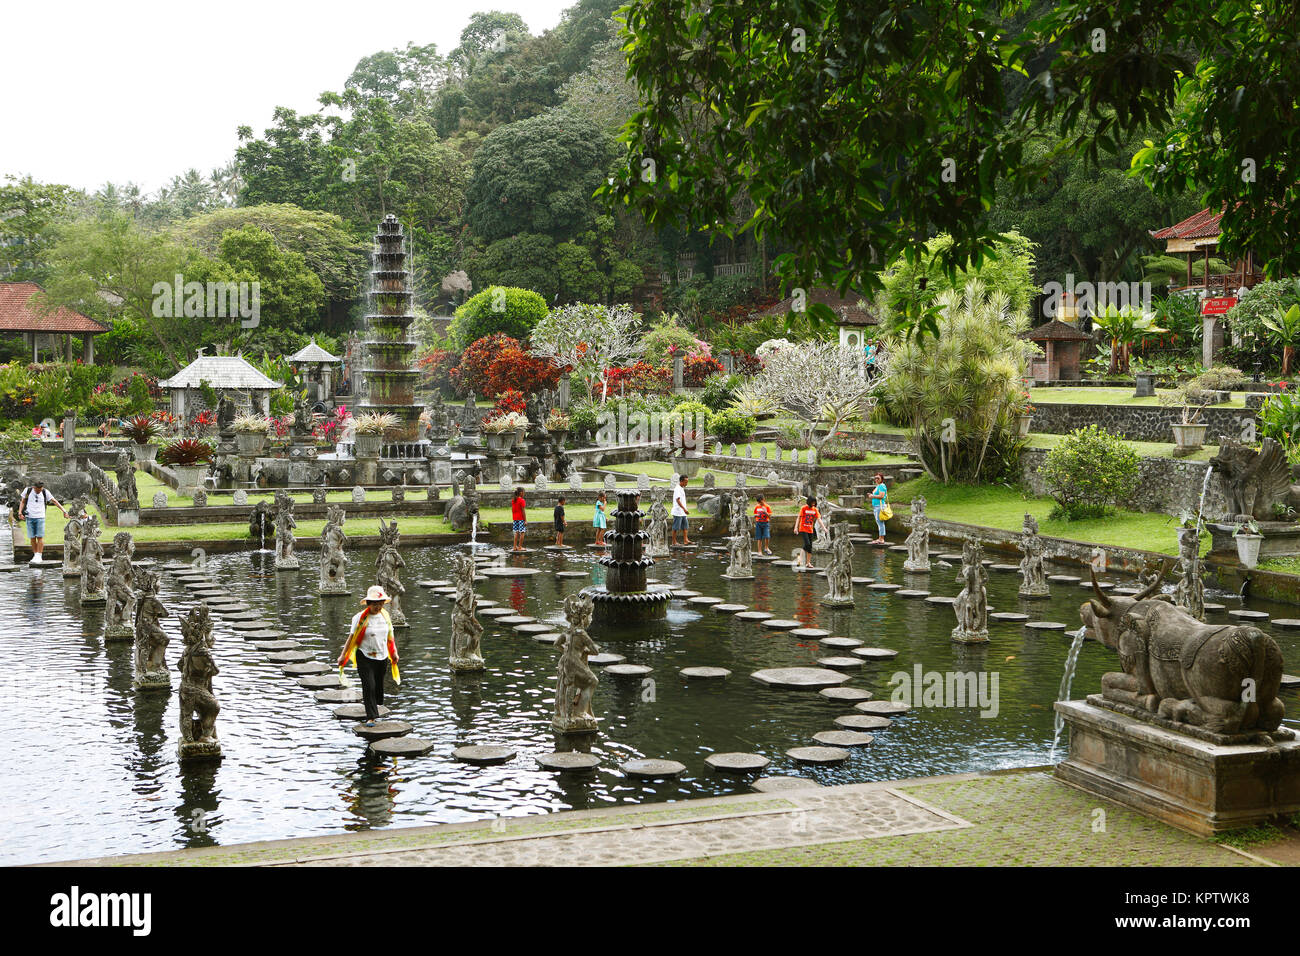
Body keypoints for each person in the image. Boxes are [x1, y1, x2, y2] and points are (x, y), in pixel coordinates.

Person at [337, 585, 400, 726]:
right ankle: (371, 717)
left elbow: (390, 637)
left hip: (382, 656)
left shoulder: (385, 617)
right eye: (375, 604)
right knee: (369, 685)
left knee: (377, 687)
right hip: (364, 656)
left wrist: (394, 653)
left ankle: (375, 705)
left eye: (380, 604)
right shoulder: (359, 618)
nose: (377, 607)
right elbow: (351, 638)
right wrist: (343, 656)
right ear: (368, 604)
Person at [17, 479, 67, 565]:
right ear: (33, 487)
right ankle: (35, 554)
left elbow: (54, 501)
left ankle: (39, 555)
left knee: (39, 537)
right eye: (37, 490)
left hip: (40, 517)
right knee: (32, 537)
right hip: (29, 517)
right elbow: (23, 501)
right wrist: (20, 512)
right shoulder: (28, 490)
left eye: (40, 489)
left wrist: (64, 510)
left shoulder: (45, 492)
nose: (38, 491)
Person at [793, 495, 825, 571]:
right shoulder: (803, 508)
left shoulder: (815, 510)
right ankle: (800, 560)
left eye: (814, 503)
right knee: (807, 544)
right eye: (812, 502)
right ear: (809, 502)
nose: (813, 504)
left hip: (810, 530)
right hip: (803, 529)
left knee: (809, 547)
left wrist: (824, 527)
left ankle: (808, 563)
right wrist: (795, 527)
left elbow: (819, 519)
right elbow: (799, 518)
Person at [671, 475, 691, 546]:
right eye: (686, 482)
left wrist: (684, 510)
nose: (687, 483)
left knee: (685, 526)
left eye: (687, 482)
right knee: (676, 527)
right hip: (678, 511)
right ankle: (674, 542)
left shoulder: (681, 488)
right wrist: (684, 509)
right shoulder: (677, 489)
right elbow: (678, 500)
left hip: (682, 512)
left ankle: (686, 540)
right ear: (681, 481)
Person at [869, 472, 889, 545]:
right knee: (879, 522)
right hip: (876, 506)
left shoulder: (882, 486)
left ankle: (882, 539)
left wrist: (872, 496)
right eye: (875, 478)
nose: (876, 479)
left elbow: (881, 496)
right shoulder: (878, 486)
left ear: (882, 479)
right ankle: (880, 538)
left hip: (879, 507)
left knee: (880, 523)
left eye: (878, 478)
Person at [511, 486, 527, 552]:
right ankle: (520, 547)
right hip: (521, 519)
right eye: (524, 492)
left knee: (516, 533)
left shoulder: (513, 500)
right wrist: (525, 520)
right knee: (522, 532)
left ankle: (515, 547)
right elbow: (523, 511)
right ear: (521, 493)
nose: (524, 494)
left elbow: (513, 510)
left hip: (515, 519)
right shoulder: (522, 500)